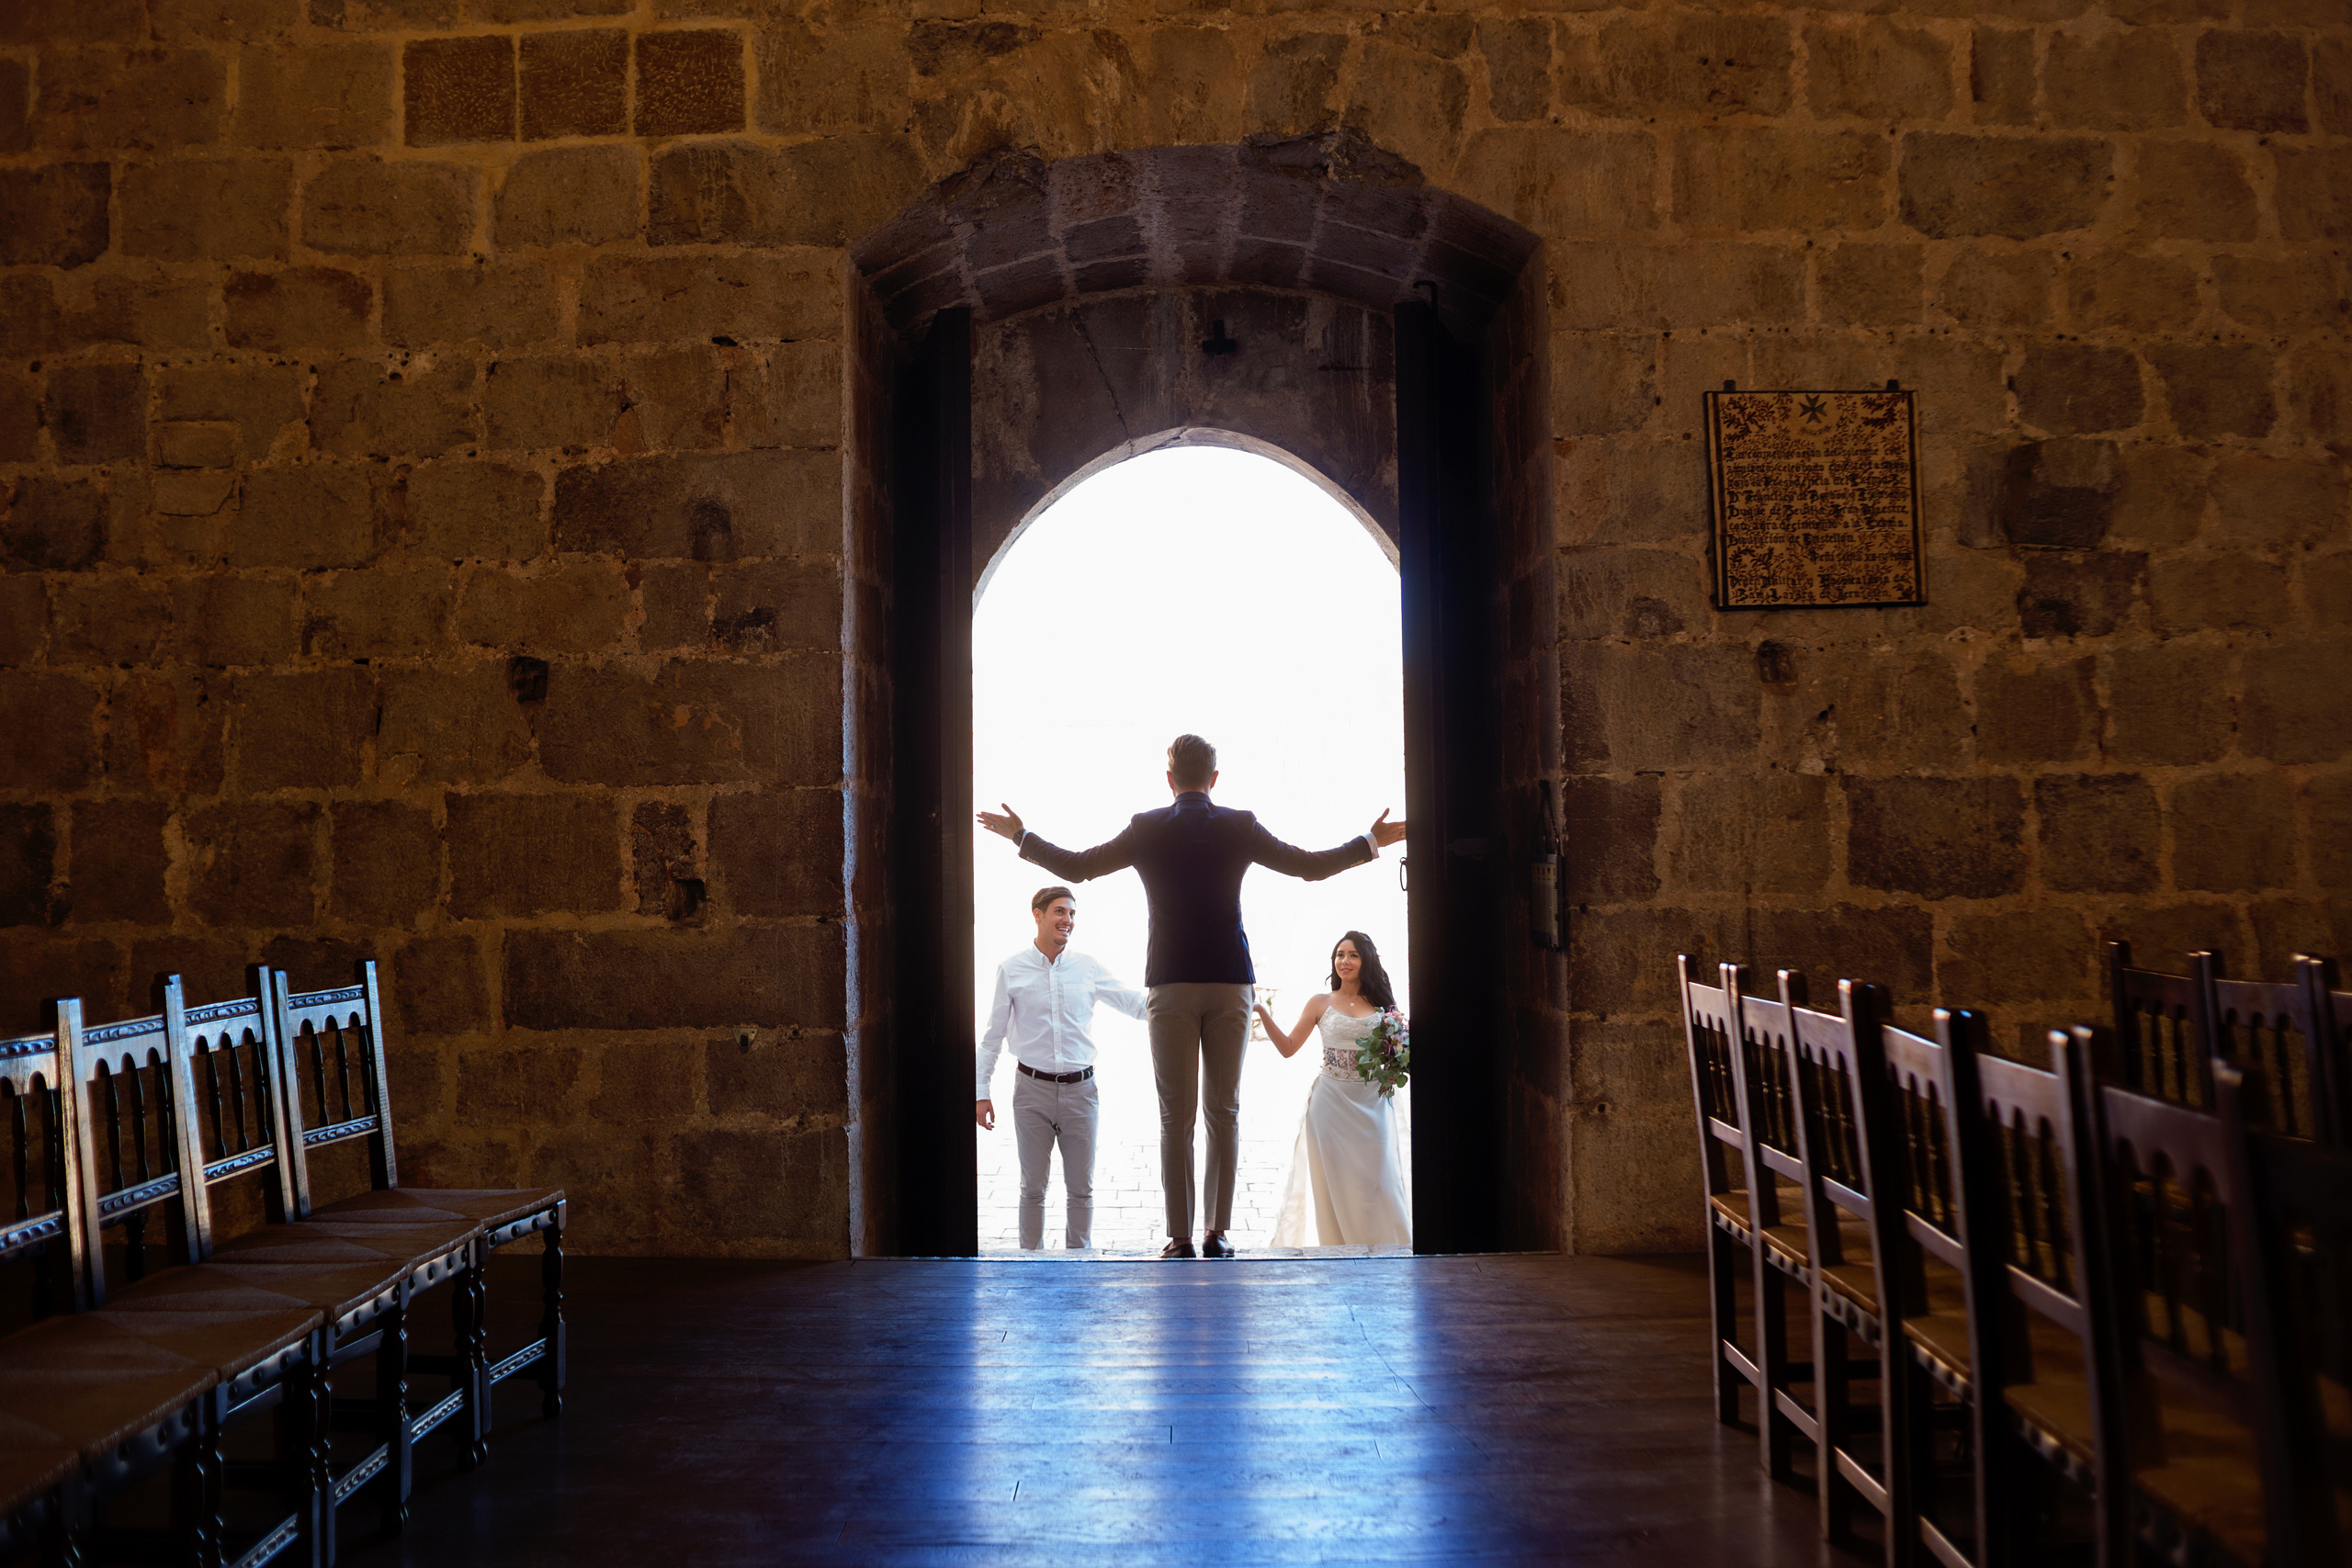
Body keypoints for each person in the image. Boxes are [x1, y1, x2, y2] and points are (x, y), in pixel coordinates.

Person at [978, 734, 1405, 1259]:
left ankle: (1179, 1238)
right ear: (1215, 778)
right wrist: (1371, 841)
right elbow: (1308, 866)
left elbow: (1079, 866)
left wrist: (1021, 836)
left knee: (1173, 1117)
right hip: (1231, 984)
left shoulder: (1146, 827)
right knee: (1223, 1111)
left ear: (1169, 778)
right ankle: (1217, 1234)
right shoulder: (1239, 824)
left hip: (1171, 986)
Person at [975, 886, 1146, 1252]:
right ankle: (1029, 1264)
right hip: (1030, 1091)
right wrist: (981, 1093)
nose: (1067, 920)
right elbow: (992, 1037)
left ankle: (1078, 1264)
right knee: (1032, 1188)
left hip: (1082, 1092)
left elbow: (1133, 1004)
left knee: (1081, 1189)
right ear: (1037, 915)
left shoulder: (1088, 968)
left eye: (1071, 914)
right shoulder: (1011, 969)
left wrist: (1182, 1000)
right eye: (1059, 912)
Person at [1258, 931, 1412, 1248]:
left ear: (1365, 961)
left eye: (1353, 955)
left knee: (1379, 1180)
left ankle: (1389, 1247)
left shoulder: (1383, 1006)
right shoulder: (1320, 1003)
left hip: (1373, 1103)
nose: (1345, 961)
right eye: (1340, 955)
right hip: (1330, 1106)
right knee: (1337, 1184)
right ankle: (1340, 1249)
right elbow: (1288, 1047)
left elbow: (1399, 1052)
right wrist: (1261, 1013)